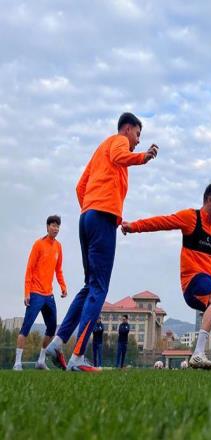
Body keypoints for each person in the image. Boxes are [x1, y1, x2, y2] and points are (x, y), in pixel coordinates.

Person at [47, 112, 158, 372]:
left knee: (89, 286)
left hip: (87, 217)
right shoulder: (118, 141)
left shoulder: (100, 150)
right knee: (99, 288)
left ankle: (58, 342)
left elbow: (80, 186)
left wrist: (90, 207)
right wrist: (143, 158)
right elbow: (121, 156)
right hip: (102, 218)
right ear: (127, 129)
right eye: (138, 135)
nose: (138, 141)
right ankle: (77, 356)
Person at [122, 182, 211, 373]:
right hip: (192, 281)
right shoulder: (190, 218)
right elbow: (161, 222)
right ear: (209, 200)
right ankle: (198, 353)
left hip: (208, 281)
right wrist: (133, 227)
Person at [13, 215, 67, 370]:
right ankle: (17, 362)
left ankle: (41, 361)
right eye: (53, 225)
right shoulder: (38, 244)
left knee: (51, 329)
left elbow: (58, 270)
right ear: (47, 227)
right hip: (35, 293)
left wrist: (63, 286)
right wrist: (27, 293)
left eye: (58, 226)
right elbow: (29, 269)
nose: (56, 228)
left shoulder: (58, 247)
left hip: (49, 295)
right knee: (26, 327)